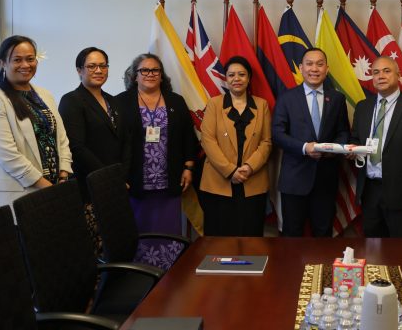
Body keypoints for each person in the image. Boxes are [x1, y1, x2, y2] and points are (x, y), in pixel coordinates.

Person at [117, 53, 197, 268]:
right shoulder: (120, 102)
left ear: (162, 75)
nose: (150, 74)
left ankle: (170, 271)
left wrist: (189, 167)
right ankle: (140, 273)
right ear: (135, 75)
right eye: (144, 70)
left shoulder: (176, 101)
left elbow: (188, 137)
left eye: (155, 70)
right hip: (135, 181)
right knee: (139, 230)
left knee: (168, 230)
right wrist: (119, 175)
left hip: (169, 179)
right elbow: (115, 142)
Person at [0, 35, 72, 212]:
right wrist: (48, 187)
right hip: (20, 194)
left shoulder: (44, 95)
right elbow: (8, 155)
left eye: (30, 59)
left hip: (53, 188)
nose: (25, 65)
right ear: (2, 63)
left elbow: (61, 138)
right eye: (17, 60)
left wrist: (63, 175)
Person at [349, 56, 402, 237]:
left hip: (401, 194)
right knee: (372, 247)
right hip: (369, 190)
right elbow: (355, 137)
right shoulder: (363, 107)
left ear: (398, 75)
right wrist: (353, 149)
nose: (381, 76)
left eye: (387, 71)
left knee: (400, 249)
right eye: (376, 72)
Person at [272, 48, 350, 237]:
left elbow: (343, 132)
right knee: (292, 235)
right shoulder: (286, 98)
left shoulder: (337, 99)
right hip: (294, 180)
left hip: (325, 179)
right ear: (301, 68)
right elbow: (277, 134)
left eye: (319, 64)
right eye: (309, 64)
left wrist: (331, 150)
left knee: (323, 234)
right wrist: (304, 148)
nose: (314, 69)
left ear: (326, 69)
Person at [58, 47, 129, 250]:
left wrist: (122, 176)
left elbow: (125, 141)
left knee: (116, 242)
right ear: (79, 70)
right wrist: (110, 178)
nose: (98, 70)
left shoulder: (113, 101)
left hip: (116, 184)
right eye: (91, 66)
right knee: (95, 247)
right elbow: (77, 147)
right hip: (89, 185)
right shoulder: (71, 101)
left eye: (103, 66)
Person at [199, 56, 272, 236]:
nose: (236, 79)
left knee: (251, 237)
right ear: (226, 78)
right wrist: (230, 171)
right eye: (231, 75)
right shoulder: (214, 104)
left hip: (252, 180)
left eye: (241, 74)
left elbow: (266, 142)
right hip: (218, 182)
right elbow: (208, 140)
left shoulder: (261, 105)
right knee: (219, 239)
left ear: (249, 78)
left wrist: (249, 167)